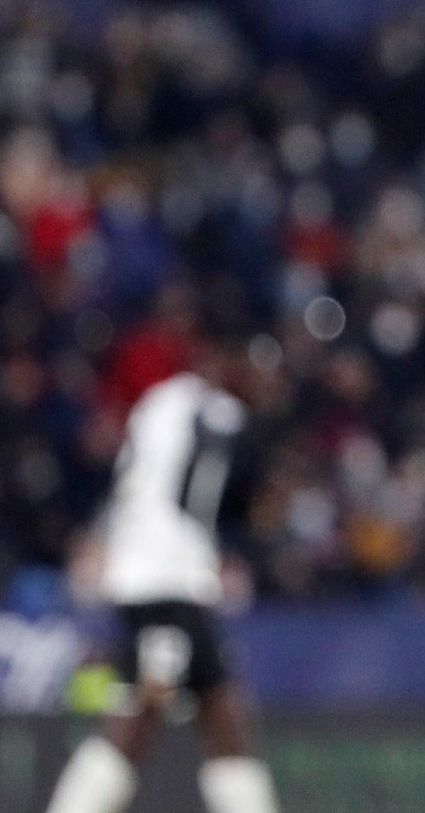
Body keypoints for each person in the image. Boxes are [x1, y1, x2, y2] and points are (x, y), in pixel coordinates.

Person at [45, 327, 280, 813]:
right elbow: (202, 499)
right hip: (169, 579)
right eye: (255, 364)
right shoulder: (217, 413)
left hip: (149, 574)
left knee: (220, 708)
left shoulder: (158, 402)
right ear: (225, 359)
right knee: (143, 706)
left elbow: (129, 487)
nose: (262, 378)